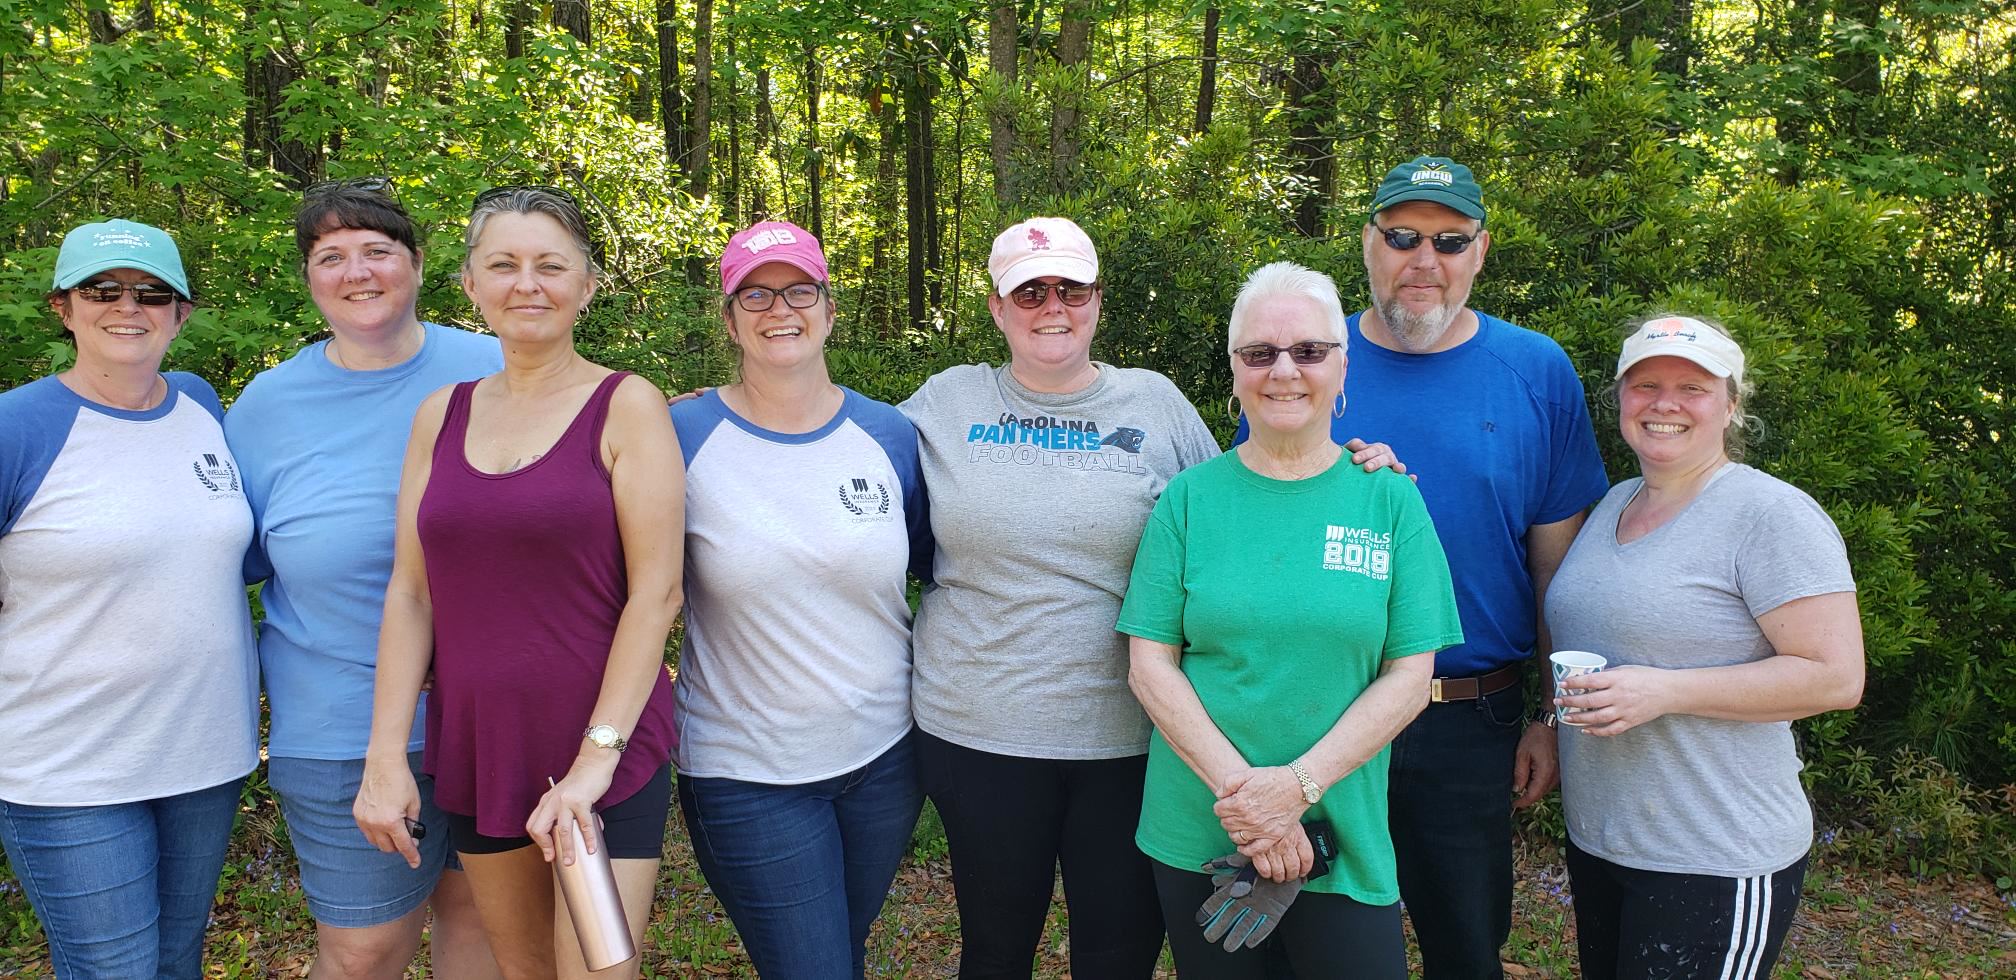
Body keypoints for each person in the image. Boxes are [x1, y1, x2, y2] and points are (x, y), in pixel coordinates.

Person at [899, 217, 1402, 977]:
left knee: (1117, 955)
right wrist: (723, 412)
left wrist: (1351, 470)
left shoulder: (1155, 404)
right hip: (980, 730)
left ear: (1098, 300)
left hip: (1130, 736)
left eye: (1071, 288)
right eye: (1029, 291)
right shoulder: (944, 402)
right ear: (999, 308)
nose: (1052, 307)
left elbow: (1247, 499)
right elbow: (846, 459)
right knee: (995, 952)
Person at [1233, 157, 1611, 979]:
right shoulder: (1303, 360)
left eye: (1449, 239)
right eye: (1401, 236)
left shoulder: (1536, 372)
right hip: (1320, 711)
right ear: (1368, 244)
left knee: (1465, 944)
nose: (1423, 259)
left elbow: (1559, 571)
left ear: (1480, 250)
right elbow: (1253, 529)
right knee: (1303, 936)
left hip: (1469, 716)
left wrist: (1551, 714)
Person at [352, 187, 683, 979]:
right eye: (503, 264)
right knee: (523, 969)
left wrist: (596, 759)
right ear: (469, 284)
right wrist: (386, 754)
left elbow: (657, 593)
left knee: (598, 971)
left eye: (549, 265)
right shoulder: (443, 413)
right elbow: (411, 593)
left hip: (599, 743)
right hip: (481, 743)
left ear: (588, 284)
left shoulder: (626, 406)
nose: (526, 284)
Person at [1118, 261, 1463, 978]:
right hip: (1204, 830)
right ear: (1235, 368)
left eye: (1308, 351)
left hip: (1341, 832)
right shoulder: (1189, 500)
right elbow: (1151, 664)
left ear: (1342, 366)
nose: (1284, 371)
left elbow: (1409, 676)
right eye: (1259, 353)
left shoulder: (1390, 502)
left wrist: (1296, 790)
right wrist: (1250, 803)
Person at [225, 179, 501, 978]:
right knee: (363, 950)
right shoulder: (267, 408)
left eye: (378, 251)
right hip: (340, 722)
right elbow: (211, 551)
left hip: (493, 717)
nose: (358, 272)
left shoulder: (493, 366)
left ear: (417, 264)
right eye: (331, 256)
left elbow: (604, 461)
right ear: (309, 278)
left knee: (481, 923)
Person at [1546, 314, 1863, 979]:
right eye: (1646, 385)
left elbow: (1836, 677)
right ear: (1621, 400)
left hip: (1715, 852)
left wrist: (1664, 690)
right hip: (1607, 840)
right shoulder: (1615, 503)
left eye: (1692, 388)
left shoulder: (1770, 515)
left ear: (1731, 405)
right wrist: (1548, 724)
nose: (1665, 404)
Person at [669, 220, 932, 978]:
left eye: (798, 289)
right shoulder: (679, 433)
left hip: (885, 760)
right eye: (755, 293)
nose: (778, 308)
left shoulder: (890, 434)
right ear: (728, 317)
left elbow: (922, 565)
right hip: (746, 769)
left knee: (837, 954)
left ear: (829, 306)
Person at [0, 220, 259, 977]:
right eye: (101, 289)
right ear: (63, 306)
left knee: (178, 962)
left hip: (204, 757)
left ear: (181, 312)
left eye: (152, 293)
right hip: (68, 768)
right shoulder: (17, 426)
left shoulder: (202, 406)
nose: (128, 307)